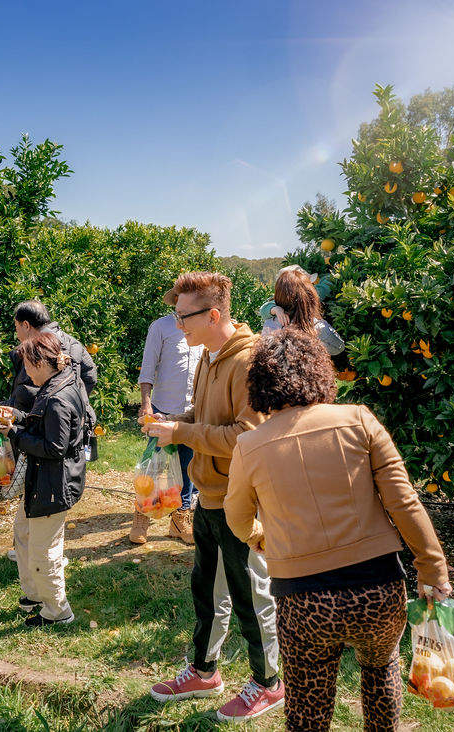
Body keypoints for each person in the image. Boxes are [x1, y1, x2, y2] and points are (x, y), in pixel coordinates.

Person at [225, 329, 451, 731]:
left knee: (307, 704)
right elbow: (404, 502)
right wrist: (432, 568)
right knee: (382, 670)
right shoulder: (359, 419)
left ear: (259, 384)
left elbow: (237, 516)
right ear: (319, 372)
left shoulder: (250, 445)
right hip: (377, 590)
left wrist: (261, 538)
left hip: (303, 601)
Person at [142, 271, 283, 723]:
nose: (177, 324)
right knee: (207, 588)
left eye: (184, 316)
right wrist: (174, 421)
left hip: (241, 500)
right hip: (208, 494)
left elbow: (249, 434)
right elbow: (207, 416)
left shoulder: (248, 363)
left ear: (214, 314)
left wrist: (182, 431)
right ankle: (204, 671)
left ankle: (270, 683)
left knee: (250, 594)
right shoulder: (207, 355)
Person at [0, 331, 88, 626]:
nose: (25, 373)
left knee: (44, 549)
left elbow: (54, 447)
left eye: (27, 366)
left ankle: (57, 611)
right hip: (42, 480)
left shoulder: (59, 397)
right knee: (23, 534)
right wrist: (18, 417)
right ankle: (35, 593)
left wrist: (14, 433)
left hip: (52, 484)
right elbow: (43, 421)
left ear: (39, 363)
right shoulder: (54, 383)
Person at [3, 300, 97, 560]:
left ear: (25, 324)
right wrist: (74, 405)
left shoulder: (36, 350)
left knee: (39, 483)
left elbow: (29, 388)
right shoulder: (73, 341)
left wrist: (49, 408)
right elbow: (90, 375)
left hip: (39, 430)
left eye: (16, 327)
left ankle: (42, 550)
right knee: (46, 487)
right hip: (56, 426)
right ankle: (38, 546)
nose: (17, 334)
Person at [129, 311, 204, 545]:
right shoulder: (161, 327)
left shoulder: (201, 328)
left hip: (191, 411)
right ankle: (141, 515)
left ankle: (179, 518)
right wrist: (145, 403)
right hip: (161, 410)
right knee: (152, 466)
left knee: (187, 466)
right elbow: (148, 366)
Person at [261, 266, 345, 359]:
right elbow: (338, 347)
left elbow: (264, 309)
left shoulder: (270, 323)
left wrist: (275, 309)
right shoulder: (315, 325)